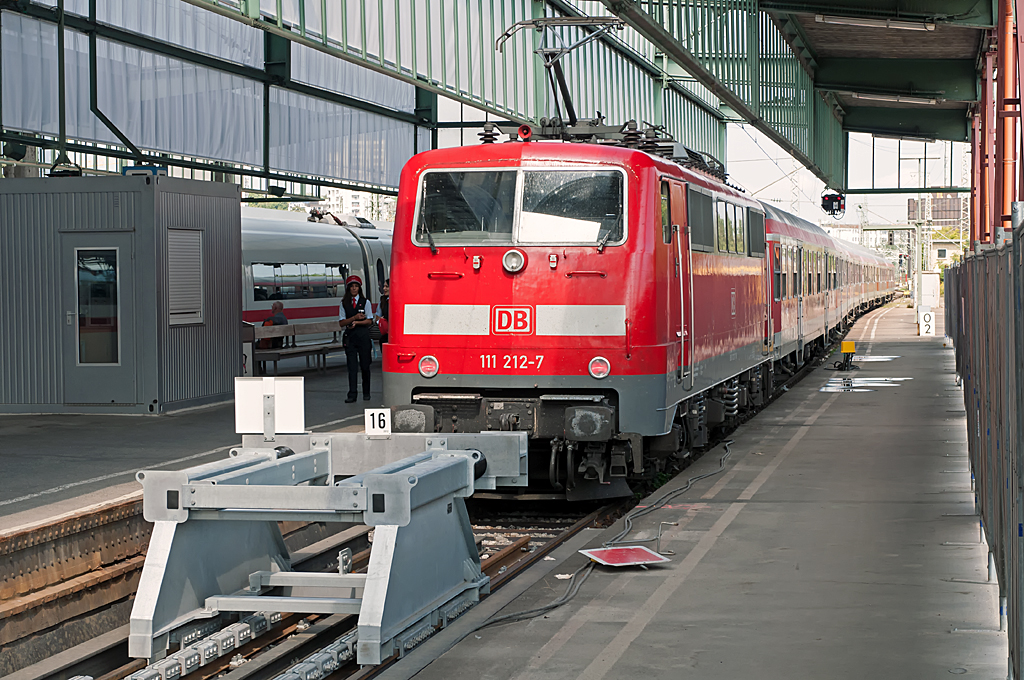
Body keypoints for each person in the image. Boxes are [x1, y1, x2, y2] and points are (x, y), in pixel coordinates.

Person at [339, 275, 374, 403]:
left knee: (365, 365)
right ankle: (352, 394)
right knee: (352, 367)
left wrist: (358, 323)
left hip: (363, 337)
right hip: (350, 338)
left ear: (359, 288)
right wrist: (354, 318)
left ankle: (366, 392)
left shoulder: (366, 302)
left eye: (356, 286)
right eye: (352, 287)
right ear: (348, 289)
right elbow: (341, 322)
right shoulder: (344, 303)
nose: (354, 289)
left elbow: (369, 320)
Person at [377, 279, 390, 347]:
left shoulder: (400, 300)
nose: (384, 288)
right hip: (385, 334)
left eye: (387, 286)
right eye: (384, 286)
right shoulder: (382, 300)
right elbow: (377, 316)